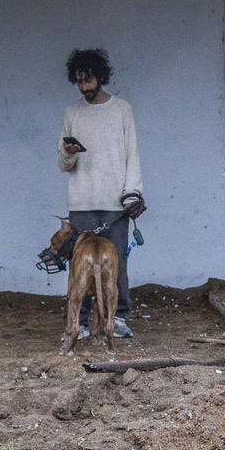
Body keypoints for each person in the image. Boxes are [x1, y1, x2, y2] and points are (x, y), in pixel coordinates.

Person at [58, 48, 144, 338]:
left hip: (115, 203)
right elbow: (63, 164)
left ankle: (117, 318)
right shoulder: (72, 112)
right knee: (78, 267)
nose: (85, 87)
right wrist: (68, 153)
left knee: (116, 263)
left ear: (101, 77)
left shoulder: (122, 110)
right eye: (79, 81)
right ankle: (79, 322)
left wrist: (132, 193)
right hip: (81, 200)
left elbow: (132, 154)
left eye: (89, 80)